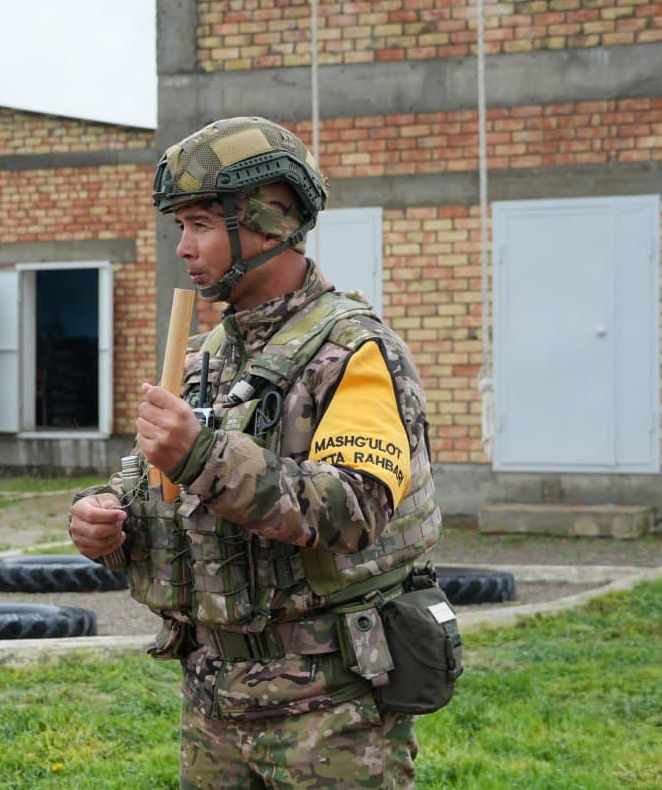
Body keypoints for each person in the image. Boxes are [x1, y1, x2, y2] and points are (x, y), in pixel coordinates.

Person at [69, 116, 445, 788]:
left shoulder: (353, 350)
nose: (183, 246)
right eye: (179, 225)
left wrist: (201, 455)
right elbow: (151, 483)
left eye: (203, 223)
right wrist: (103, 515)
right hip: (214, 697)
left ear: (270, 220)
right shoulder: (206, 355)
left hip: (328, 706)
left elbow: (355, 509)